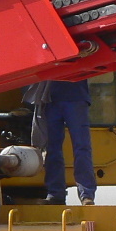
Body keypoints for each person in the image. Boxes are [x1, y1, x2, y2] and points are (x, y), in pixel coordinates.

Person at [40, 77, 96, 206]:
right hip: (52, 99)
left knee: (81, 147)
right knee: (52, 149)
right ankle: (55, 193)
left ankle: (86, 194)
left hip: (75, 98)